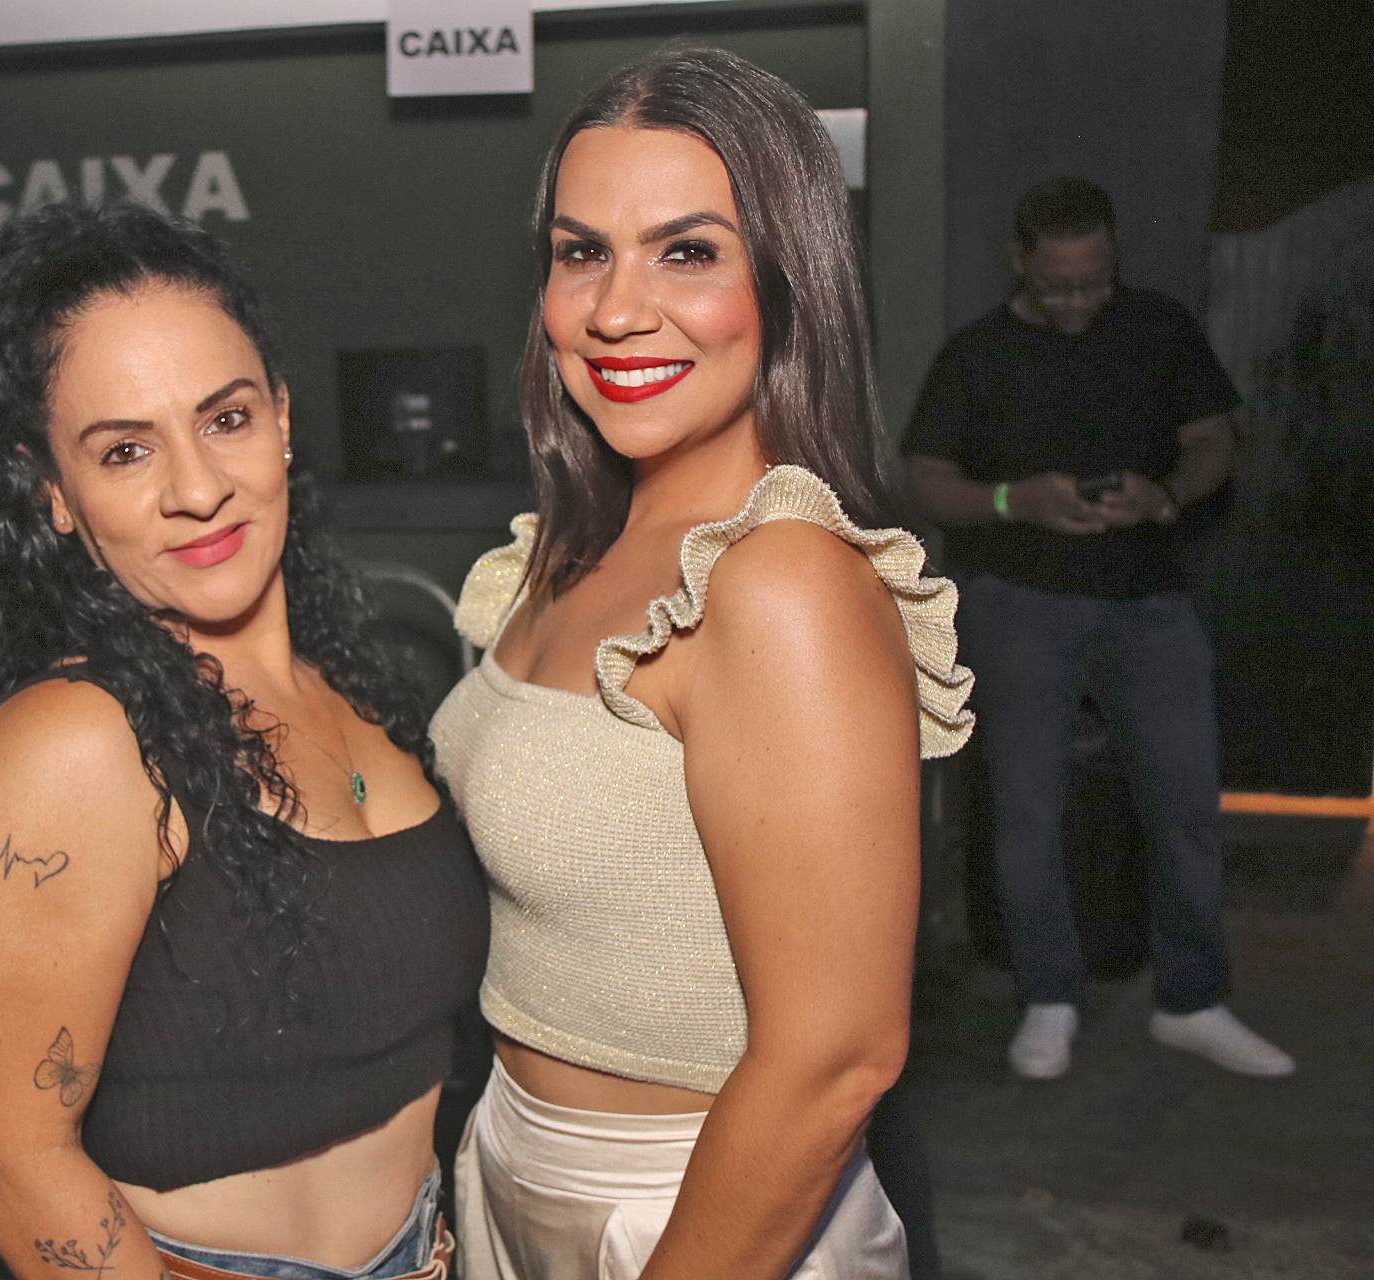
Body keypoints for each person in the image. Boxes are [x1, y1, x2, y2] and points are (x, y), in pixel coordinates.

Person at [429, 47, 975, 1280]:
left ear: (789, 278)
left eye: (686, 251)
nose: (617, 308)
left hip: (699, 1212)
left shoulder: (779, 581)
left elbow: (835, 1060)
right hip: (518, 1163)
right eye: (582, 252)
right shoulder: (579, 539)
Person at [0, 201, 488, 1280]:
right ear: (55, 496)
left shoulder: (350, 684)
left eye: (224, 419)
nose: (197, 488)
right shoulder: (74, 745)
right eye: (126, 450)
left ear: (281, 417)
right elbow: (8, 1155)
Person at [902, 176, 1295, 1082]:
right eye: (1058, 285)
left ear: (1114, 256)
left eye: (1095, 280)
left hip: (1148, 600)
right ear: (1020, 261)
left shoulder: (1158, 328)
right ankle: (1049, 999)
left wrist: (1164, 495)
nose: (1079, 300)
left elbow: (1213, 441)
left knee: (1187, 806)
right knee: (1027, 814)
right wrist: (1016, 501)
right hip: (1018, 605)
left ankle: (1193, 1002)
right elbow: (920, 482)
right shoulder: (977, 355)